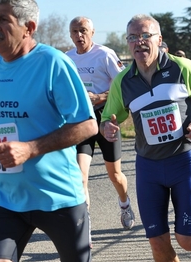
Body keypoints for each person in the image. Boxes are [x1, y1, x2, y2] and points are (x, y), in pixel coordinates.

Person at [100, 14, 191, 262]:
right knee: (158, 243)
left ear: (159, 39)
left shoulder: (181, 67)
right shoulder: (122, 81)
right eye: (133, 37)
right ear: (128, 43)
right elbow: (108, 117)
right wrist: (108, 127)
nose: (139, 42)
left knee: (188, 242)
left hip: (182, 162)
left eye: (146, 35)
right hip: (148, 167)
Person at [0, 1, 97, 262]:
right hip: (6, 197)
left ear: (28, 28)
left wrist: (30, 149)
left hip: (58, 198)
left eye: (3, 20)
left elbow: (88, 125)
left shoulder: (52, 62)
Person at [66, 16, 135, 230]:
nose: (79, 35)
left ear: (92, 32)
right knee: (80, 176)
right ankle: (84, 223)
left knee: (114, 175)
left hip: (106, 119)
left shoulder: (104, 55)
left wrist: (101, 97)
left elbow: (123, 84)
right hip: (82, 121)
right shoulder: (67, 58)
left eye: (83, 30)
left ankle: (124, 204)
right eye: (75, 31)